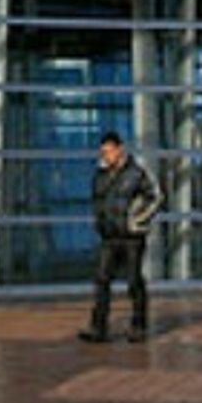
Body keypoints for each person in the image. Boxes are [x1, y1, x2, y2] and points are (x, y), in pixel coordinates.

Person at [81, 131, 160, 343]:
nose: (105, 156)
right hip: (109, 236)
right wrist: (99, 222)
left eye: (108, 152)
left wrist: (137, 221)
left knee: (133, 281)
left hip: (131, 238)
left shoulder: (137, 174)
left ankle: (139, 325)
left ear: (119, 149)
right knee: (102, 279)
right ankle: (98, 327)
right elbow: (97, 202)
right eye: (102, 152)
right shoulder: (100, 174)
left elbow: (155, 198)